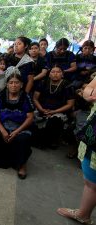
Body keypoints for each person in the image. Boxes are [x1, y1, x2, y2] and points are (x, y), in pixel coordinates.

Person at [57, 76, 96, 225]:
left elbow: (89, 92)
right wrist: (90, 93)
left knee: (92, 183)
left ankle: (83, 214)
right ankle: (84, 214)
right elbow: (87, 92)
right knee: (91, 181)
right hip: (93, 134)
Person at [0, 73, 34, 179]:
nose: (14, 85)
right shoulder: (2, 96)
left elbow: (29, 118)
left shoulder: (25, 97)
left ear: (21, 85)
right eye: (11, 82)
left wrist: (16, 131)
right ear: (7, 85)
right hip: (3, 125)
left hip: (20, 127)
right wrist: (3, 130)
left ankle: (22, 165)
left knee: (23, 139)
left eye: (16, 83)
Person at [33, 65, 75, 148]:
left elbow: (70, 104)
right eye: (53, 72)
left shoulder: (67, 85)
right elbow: (35, 99)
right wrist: (41, 109)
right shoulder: (43, 82)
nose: (55, 74)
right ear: (49, 74)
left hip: (58, 111)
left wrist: (54, 112)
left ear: (62, 74)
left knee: (54, 121)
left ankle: (50, 141)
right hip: (42, 108)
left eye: (58, 72)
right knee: (30, 118)